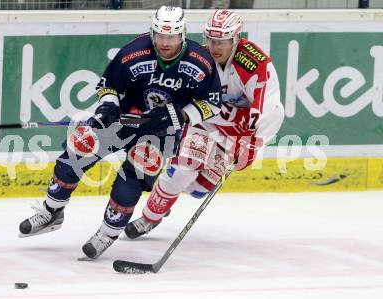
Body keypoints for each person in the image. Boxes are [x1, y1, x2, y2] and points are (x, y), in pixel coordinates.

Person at [18, 6, 222, 260]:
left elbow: (211, 103)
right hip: (126, 120)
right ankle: (52, 212)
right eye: (159, 36)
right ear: (152, 32)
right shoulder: (134, 52)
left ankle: (108, 231)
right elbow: (108, 85)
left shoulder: (201, 61)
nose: (165, 43)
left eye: (171, 37)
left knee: (134, 174)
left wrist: (178, 115)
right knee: (79, 148)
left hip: (163, 133)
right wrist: (108, 106)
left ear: (182, 35)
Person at [124, 9, 285, 238]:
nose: (215, 47)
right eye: (211, 40)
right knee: (182, 171)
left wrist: (252, 142)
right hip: (208, 121)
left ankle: (173, 194)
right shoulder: (198, 59)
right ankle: (150, 217)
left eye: (222, 42)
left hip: (241, 129)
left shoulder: (253, 64)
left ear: (236, 39)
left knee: (198, 189)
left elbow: (269, 108)